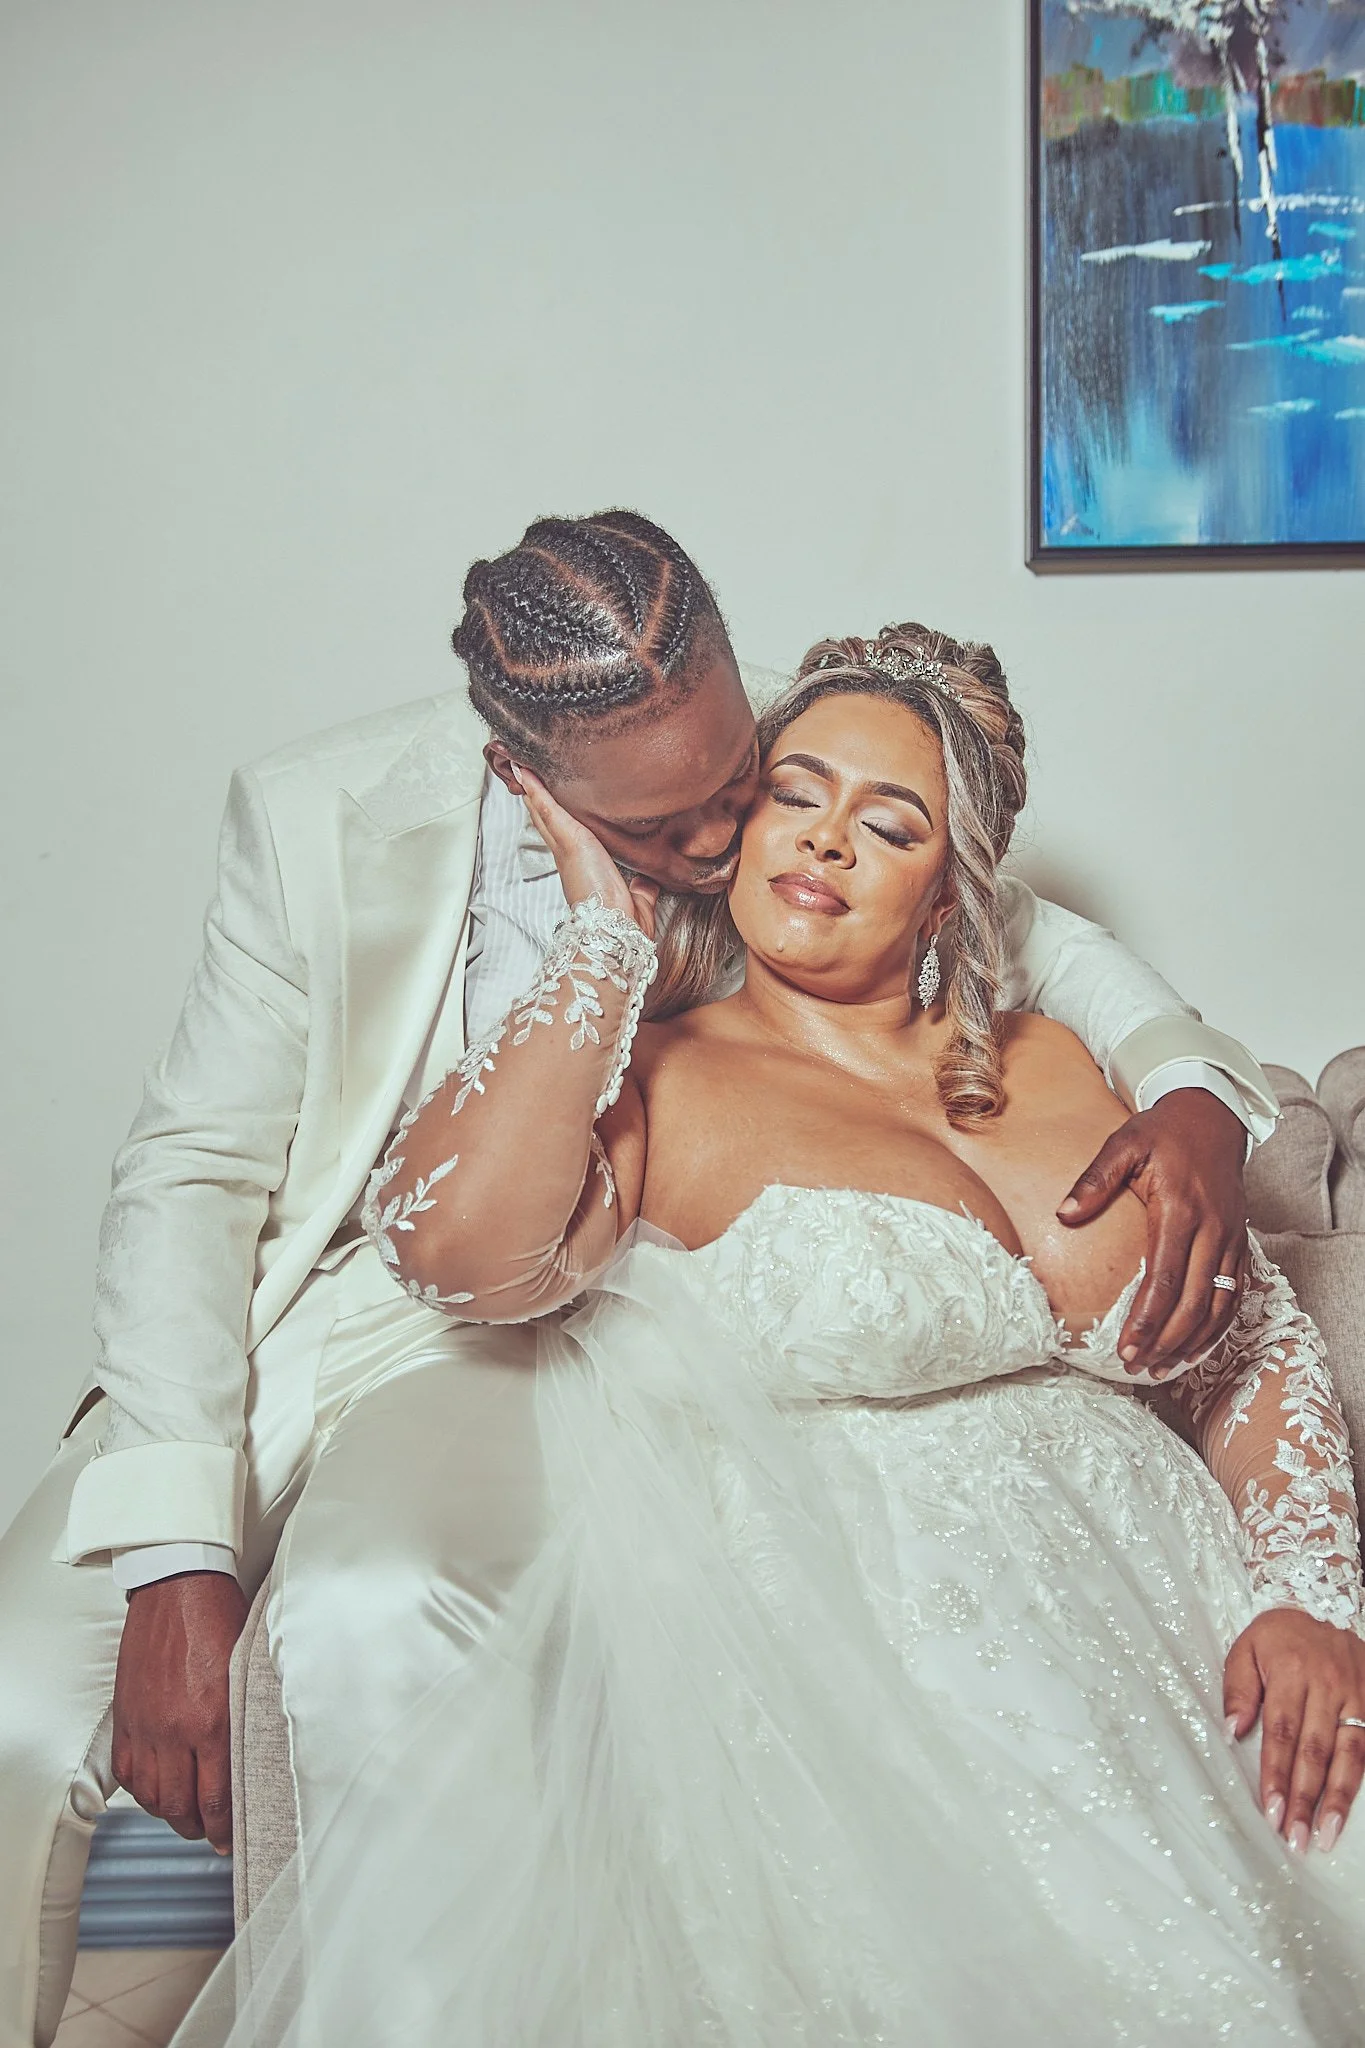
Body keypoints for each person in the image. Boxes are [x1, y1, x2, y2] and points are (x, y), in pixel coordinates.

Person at [0, 519, 1273, 2048]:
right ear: (521, 771)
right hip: (313, 1311)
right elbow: (190, 1180)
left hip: (499, 1327)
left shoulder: (762, 761)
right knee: (16, 1701)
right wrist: (178, 1564)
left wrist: (1197, 1087)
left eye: (746, 783)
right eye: (677, 823)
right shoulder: (310, 818)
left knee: (369, 1614)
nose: (743, 835)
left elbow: (1002, 909)